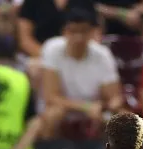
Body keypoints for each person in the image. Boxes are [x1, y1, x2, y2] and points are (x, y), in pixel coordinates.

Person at [40, 8, 126, 139]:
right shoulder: (52, 49)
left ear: (92, 32)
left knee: (124, 121)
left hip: (95, 109)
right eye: (73, 31)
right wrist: (85, 107)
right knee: (52, 115)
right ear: (64, 32)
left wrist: (110, 105)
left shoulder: (103, 55)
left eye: (83, 31)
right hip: (65, 109)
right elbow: (51, 96)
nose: (78, 37)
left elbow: (114, 96)